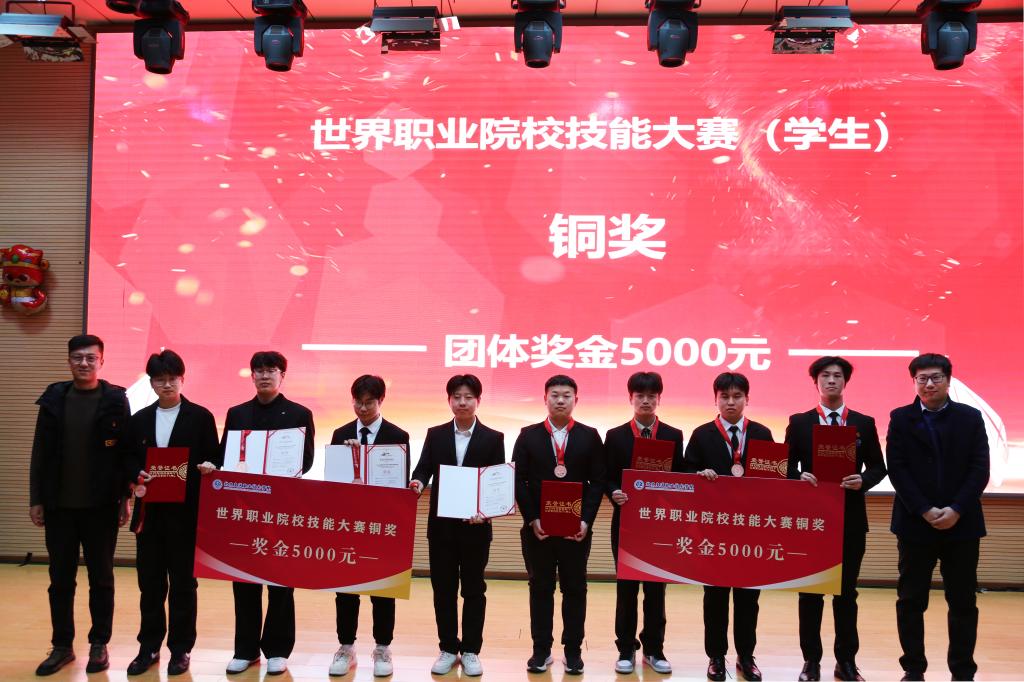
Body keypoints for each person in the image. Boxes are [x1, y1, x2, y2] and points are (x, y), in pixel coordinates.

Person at [29, 334, 132, 677]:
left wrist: (125, 498)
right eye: (78, 357)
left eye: (90, 358)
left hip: (101, 507)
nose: (84, 363)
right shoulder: (54, 398)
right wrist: (36, 499)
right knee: (60, 580)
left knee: (101, 579)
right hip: (59, 506)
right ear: (69, 360)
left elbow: (125, 454)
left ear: (101, 361)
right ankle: (62, 646)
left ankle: (99, 644)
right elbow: (40, 452)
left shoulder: (115, 399)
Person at [887, 353, 989, 682]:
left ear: (948, 380)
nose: (929, 384)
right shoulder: (900, 418)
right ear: (914, 382)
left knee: (962, 602)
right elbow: (897, 469)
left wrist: (956, 508)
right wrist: (924, 509)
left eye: (936, 377)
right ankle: (913, 669)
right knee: (910, 601)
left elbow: (980, 468)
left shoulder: (970, 418)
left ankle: (963, 671)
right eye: (922, 378)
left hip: (962, 525)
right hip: (915, 524)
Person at [786, 356, 887, 682]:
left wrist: (864, 480)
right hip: (811, 521)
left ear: (846, 382)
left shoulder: (863, 423)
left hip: (850, 519)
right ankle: (810, 662)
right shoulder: (799, 422)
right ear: (815, 382)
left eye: (838, 376)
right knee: (810, 594)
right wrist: (798, 476)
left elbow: (879, 466)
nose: (831, 380)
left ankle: (846, 662)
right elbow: (783, 466)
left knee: (846, 594)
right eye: (825, 376)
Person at [125, 350, 221, 676]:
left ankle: (181, 649)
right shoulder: (139, 419)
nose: (166, 385)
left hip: (185, 516)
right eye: (159, 379)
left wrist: (210, 467)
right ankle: (149, 646)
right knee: (150, 585)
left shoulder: (201, 417)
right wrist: (137, 473)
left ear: (182, 379)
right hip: (149, 516)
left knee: (183, 585)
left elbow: (213, 457)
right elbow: (127, 459)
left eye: (172, 379)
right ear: (151, 383)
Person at [222, 351, 315, 676]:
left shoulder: (299, 413)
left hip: (282, 509)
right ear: (252, 375)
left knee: (281, 582)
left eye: (271, 370)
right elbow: (226, 456)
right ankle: (245, 649)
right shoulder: (237, 414)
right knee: (244, 580)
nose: (264, 376)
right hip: (245, 510)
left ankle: (277, 649)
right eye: (259, 370)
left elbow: (305, 460)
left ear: (282, 375)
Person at [409, 374, 506, 677]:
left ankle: (472, 650)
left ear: (478, 400)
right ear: (449, 400)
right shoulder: (435, 434)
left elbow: (496, 481)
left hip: (476, 527)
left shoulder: (494, 438)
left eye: (468, 397)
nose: (462, 402)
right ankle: (448, 648)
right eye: (457, 397)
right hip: (442, 528)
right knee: (443, 589)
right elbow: (423, 468)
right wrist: (417, 482)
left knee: (474, 589)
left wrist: (486, 512)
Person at [682, 372, 773, 682]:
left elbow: (776, 478)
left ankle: (746, 657)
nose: (731, 402)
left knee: (749, 598)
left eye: (737, 396)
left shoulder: (762, 433)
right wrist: (699, 475)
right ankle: (716, 657)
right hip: (714, 531)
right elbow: (686, 474)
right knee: (715, 598)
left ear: (747, 399)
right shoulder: (701, 435)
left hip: (751, 531)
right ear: (716, 399)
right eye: (725, 397)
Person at [512, 374, 605, 676]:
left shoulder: (590, 436)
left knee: (575, 589)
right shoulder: (528, 435)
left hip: (575, 531)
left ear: (576, 400)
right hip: (538, 530)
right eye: (555, 395)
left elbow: (597, 482)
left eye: (567, 395)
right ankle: (541, 650)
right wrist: (532, 518)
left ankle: (573, 651)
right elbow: (518, 479)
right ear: (545, 399)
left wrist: (586, 520)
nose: (560, 400)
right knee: (540, 588)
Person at [329, 374, 411, 678]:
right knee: (345, 590)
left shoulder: (397, 435)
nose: (363, 408)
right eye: (358, 402)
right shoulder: (340, 434)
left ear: (381, 401)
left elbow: (400, 483)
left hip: (382, 525)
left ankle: (382, 648)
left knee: (383, 589)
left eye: (369, 402)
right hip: (348, 525)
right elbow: (333, 485)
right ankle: (346, 647)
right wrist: (348, 458)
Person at [604, 371, 684, 675]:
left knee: (656, 590)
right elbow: (606, 476)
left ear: (659, 399)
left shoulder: (673, 435)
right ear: (631, 398)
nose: (646, 401)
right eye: (640, 396)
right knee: (626, 590)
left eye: (652, 396)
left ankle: (654, 649)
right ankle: (625, 649)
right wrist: (614, 492)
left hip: (659, 524)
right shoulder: (615, 436)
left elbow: (681, 477)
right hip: (626, 523)